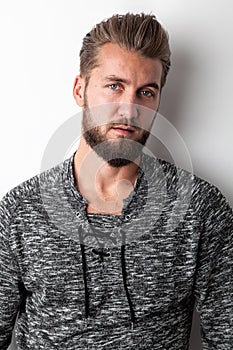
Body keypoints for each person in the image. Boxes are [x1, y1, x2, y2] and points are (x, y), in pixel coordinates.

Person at [0, 13, 232, 350]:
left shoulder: (201, 210)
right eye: (114, 86)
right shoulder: (19, 212)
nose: (129, 109)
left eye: (146, 92)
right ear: (80, 90)